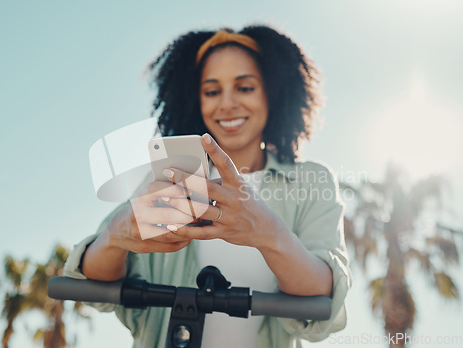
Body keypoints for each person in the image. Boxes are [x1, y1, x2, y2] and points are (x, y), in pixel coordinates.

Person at [64, 24, 351, 348]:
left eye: (245, 88)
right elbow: (93, 282)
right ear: (194, 99)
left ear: (273, 93)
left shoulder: (310, 182)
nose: (227, 104)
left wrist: (270, 234)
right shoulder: (170, 179)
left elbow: (324, 300)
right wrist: (115, 237)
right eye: (212, 91)